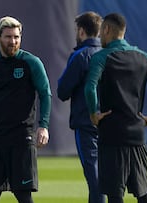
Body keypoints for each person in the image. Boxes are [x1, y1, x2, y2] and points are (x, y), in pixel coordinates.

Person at [84, 13, 147, 203]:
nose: (100, 36)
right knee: (143, 194)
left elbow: (90, 86)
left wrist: (94, 113)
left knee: (115, 195)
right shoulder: (142, 57)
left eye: (101, 31)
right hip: (136, 135)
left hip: (111, 134)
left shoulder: (101, 57)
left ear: (107, 29)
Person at [0, 16, 52, 203]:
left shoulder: (31, 62)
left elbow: (45, 94)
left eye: (16, 37)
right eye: (8, 37)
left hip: (22, 137)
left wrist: (43, 125)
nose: (13, 41)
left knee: (23, 194)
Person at [57, 11, 105, 203]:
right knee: (107, 174)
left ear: (82, 31)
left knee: (94, 175)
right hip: (110, 122)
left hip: (86, 122)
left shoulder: (81, 56)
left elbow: (63, 91)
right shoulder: (108, 54)